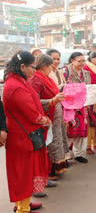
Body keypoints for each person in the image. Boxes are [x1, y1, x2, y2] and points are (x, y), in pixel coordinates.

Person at [3, 51, 51, 213]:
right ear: (22, 66)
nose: (34, 71)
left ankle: (23, 202)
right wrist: (45, 120)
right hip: (22, 137)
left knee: (24, 172)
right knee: (22, 173)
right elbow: (31, 113)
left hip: (23, 135)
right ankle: (22, 208)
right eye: (32, 67)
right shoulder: (15, 86)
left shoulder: (17, 80)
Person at [28, 54, 68, 186]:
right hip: (45, 118)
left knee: (55, 143)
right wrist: (52, 101)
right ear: (45, 66)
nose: (52, 68)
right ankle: (46, 173)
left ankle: (53, 170)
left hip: (54, 117)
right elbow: (33, 101)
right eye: (51, 66)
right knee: (48, 146)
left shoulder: (45, 78)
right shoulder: (35, 79)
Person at [65, 52, 91, 163]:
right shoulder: (65, 72)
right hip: (69, 107)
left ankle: (79, 154)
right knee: (69, 131)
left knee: (82, 131)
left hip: (83, 107)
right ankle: (65, 156)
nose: (81, 63)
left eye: (83, 61)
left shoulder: (86, 73)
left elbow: (89, 89)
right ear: (72, 60)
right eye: (79, 61)